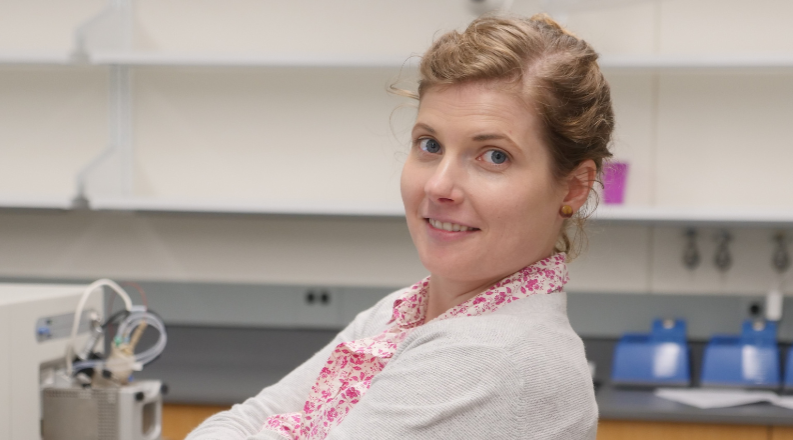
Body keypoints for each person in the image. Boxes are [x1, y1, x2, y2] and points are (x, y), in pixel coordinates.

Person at [187, 12, 614, 440]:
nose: (438, 185)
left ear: (574, 188)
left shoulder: (496, 357)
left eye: (494, 156)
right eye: (430, 145)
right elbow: (245, 418)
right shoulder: (405, 312)